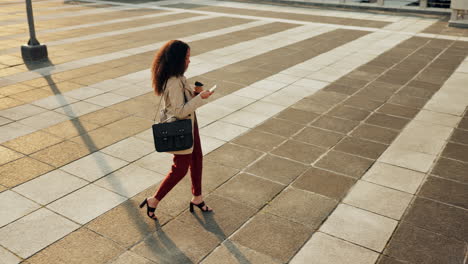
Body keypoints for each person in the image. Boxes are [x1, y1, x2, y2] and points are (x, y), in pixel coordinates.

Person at [140, 40, 214, 220]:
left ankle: (197, 197)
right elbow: (180, 111)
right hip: (181, 128)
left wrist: (196, 94)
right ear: (177, 59)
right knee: (180, 168)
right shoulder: (173, 81)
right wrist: (200, 98)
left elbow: (183, 103)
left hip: (190, 125)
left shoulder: (179, 77)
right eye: (186, 57)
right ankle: (154, 200)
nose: (189, 61)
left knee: (197, 158)